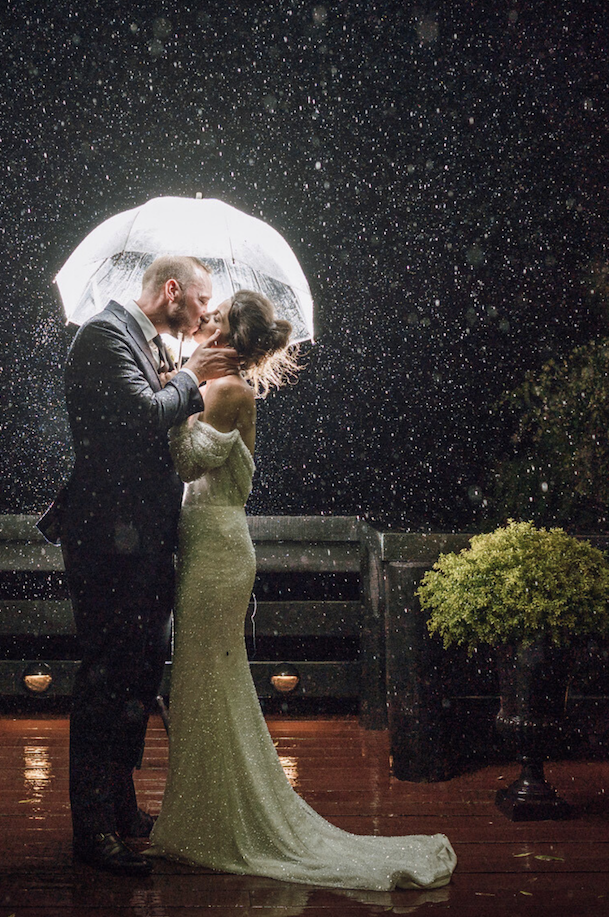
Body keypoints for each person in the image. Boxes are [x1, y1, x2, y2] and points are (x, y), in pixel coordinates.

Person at [146, 289, 457, 890]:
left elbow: (187, 464)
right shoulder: (212, 387)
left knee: (208, 679)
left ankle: (219, 823)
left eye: (211, 318)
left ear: (231, 339)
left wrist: (175, 392)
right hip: (204, 548)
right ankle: (203, 817)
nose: (200, 322)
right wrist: (179, 388)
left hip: (217, 552)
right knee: (201, 682)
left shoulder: (231, 390)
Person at [44, 255, 240, 875]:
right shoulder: (103, 338)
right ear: (173, 290)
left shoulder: (145, 344)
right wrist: (189, 376)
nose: (207, 315)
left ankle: (123, 810)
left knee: (136, 679)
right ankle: (91, 829)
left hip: (145, 541)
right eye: (203, 302)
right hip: (107, 543)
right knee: (104, 676)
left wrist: (181, 373)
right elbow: (136, 420)